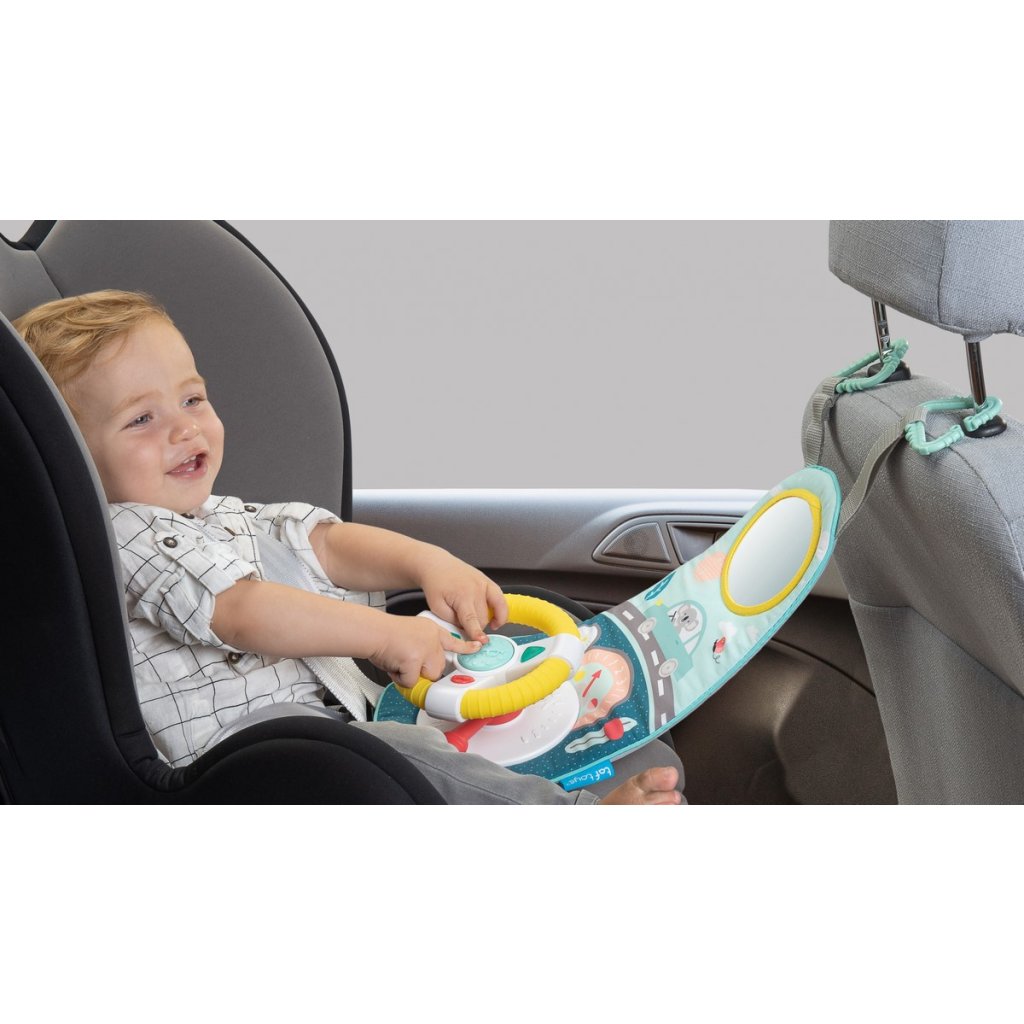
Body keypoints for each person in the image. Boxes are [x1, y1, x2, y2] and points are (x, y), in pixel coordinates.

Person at [15, 289, 684, 805]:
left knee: (465, 687)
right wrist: (384, 635)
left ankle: (574, 750)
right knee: (405, 752)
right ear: (72, 461)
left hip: (337, 731)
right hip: (250, 770)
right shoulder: (120, 535)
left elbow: (325, 544)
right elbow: (241, 611)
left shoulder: (220, 516)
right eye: (141, 418)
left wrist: (429, 563)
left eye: (193, 399)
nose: (184, 429)